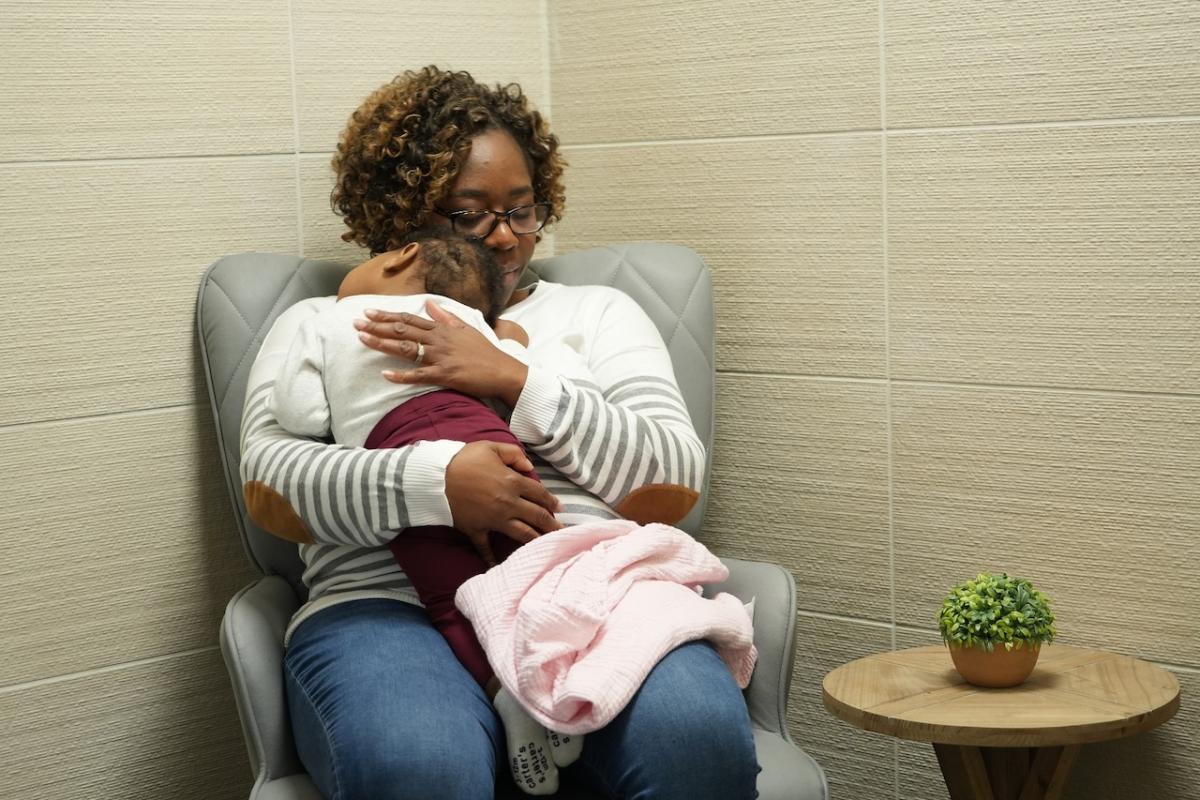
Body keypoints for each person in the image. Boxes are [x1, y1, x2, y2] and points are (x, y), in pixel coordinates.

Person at [239, 65, 759, 799]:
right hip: (387, 607)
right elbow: (270, 490)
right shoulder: (325, 325)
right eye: (469, 214)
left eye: (523, 210)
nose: (507, 239)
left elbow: (671, 484)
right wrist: (434, 487)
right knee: (422, 767)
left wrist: (513, 380)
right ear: (399, 214)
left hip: (584, 599)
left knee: (693, 740)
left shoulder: (597, 316)